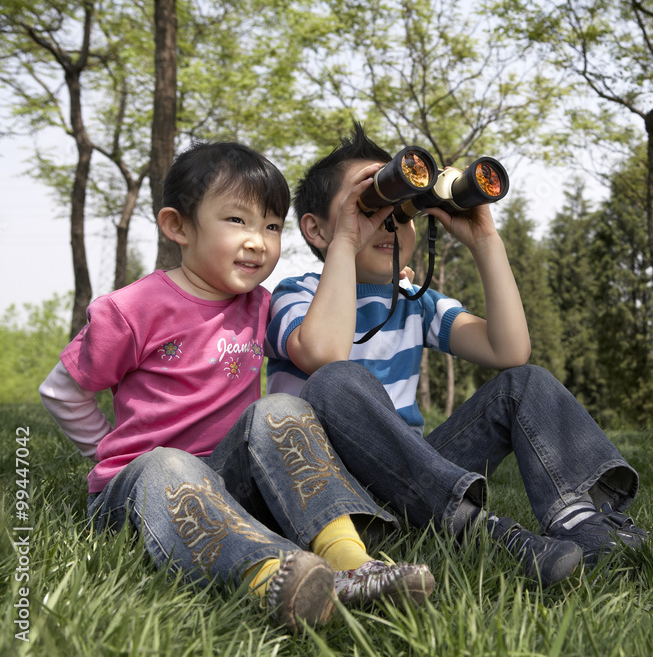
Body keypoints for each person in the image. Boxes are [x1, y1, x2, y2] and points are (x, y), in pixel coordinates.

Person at [265, 122, 653, 589]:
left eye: (402, 210)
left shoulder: (414, 301)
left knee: (527, 382)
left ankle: (590, 527)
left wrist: (484, 241)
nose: (388, 223)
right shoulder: (297, 295)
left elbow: (509, 349)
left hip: (417, 480)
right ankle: (486, 530)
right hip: (332, 498)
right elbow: (324, 353)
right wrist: (345, 242)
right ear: (315, 229)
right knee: (336, 381)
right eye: (369, 206)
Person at [38, 141, 433, 634]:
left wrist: (368, 261)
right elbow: (61, 390)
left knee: (282, 407)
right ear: (178, 226)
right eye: (236, 221)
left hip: (229, 482)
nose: (258, 242)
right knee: (167, 462)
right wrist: (104, 452)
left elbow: (324, 343)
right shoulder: (132, 308)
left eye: (270, 226)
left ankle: (351, 564)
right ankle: (271, 574)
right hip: (145, 491)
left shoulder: (261, 305)